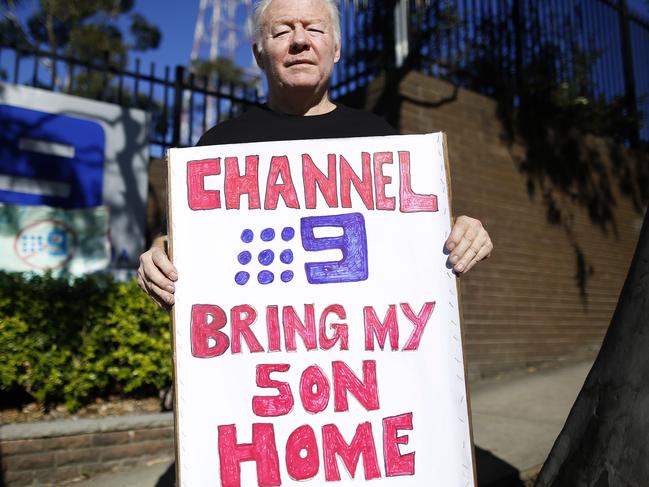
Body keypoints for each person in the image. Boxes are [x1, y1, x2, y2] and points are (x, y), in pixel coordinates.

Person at [137, 0, 493, 308]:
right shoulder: (220, 146)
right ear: (259, 53)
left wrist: (462, 232)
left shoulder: (379, 140)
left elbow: (412, 245)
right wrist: (162, 249)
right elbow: (197, 246)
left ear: (336, 49)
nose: (300, 41)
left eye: (314, 29)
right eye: (281, 32)